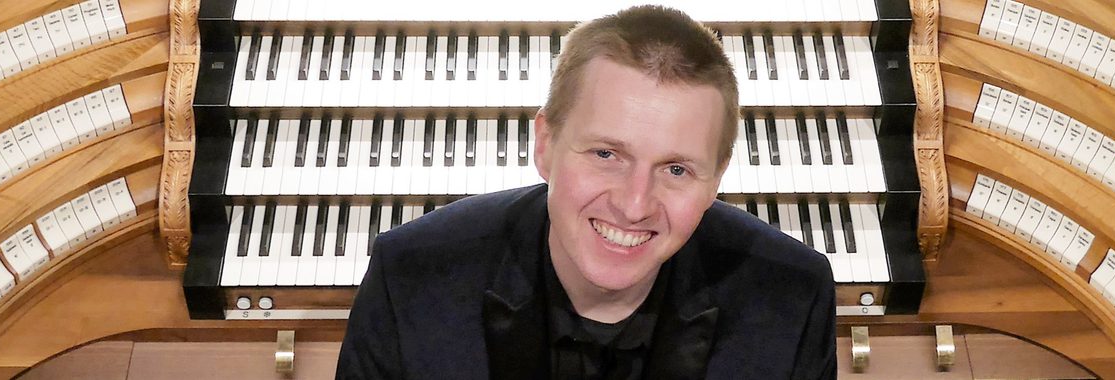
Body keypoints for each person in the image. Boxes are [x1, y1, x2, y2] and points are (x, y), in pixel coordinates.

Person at [337, 5, 836, 379]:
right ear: (546, 143)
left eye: (677, 169)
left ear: (717, 178)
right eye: (606, 154)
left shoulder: (793, 296)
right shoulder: (411, 276)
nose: (634, 204)